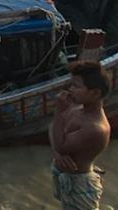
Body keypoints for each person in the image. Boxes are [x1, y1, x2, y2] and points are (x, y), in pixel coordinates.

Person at [49, 61, 111, 210]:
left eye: (76, 86)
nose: (71, 90)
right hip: (63, 175)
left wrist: (59, 111)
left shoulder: (96, 128)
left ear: (95, 93)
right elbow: (52, 128)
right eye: (71, 85)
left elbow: (61, 144)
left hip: (80, 185)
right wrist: (57, 153)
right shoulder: (76, 108)